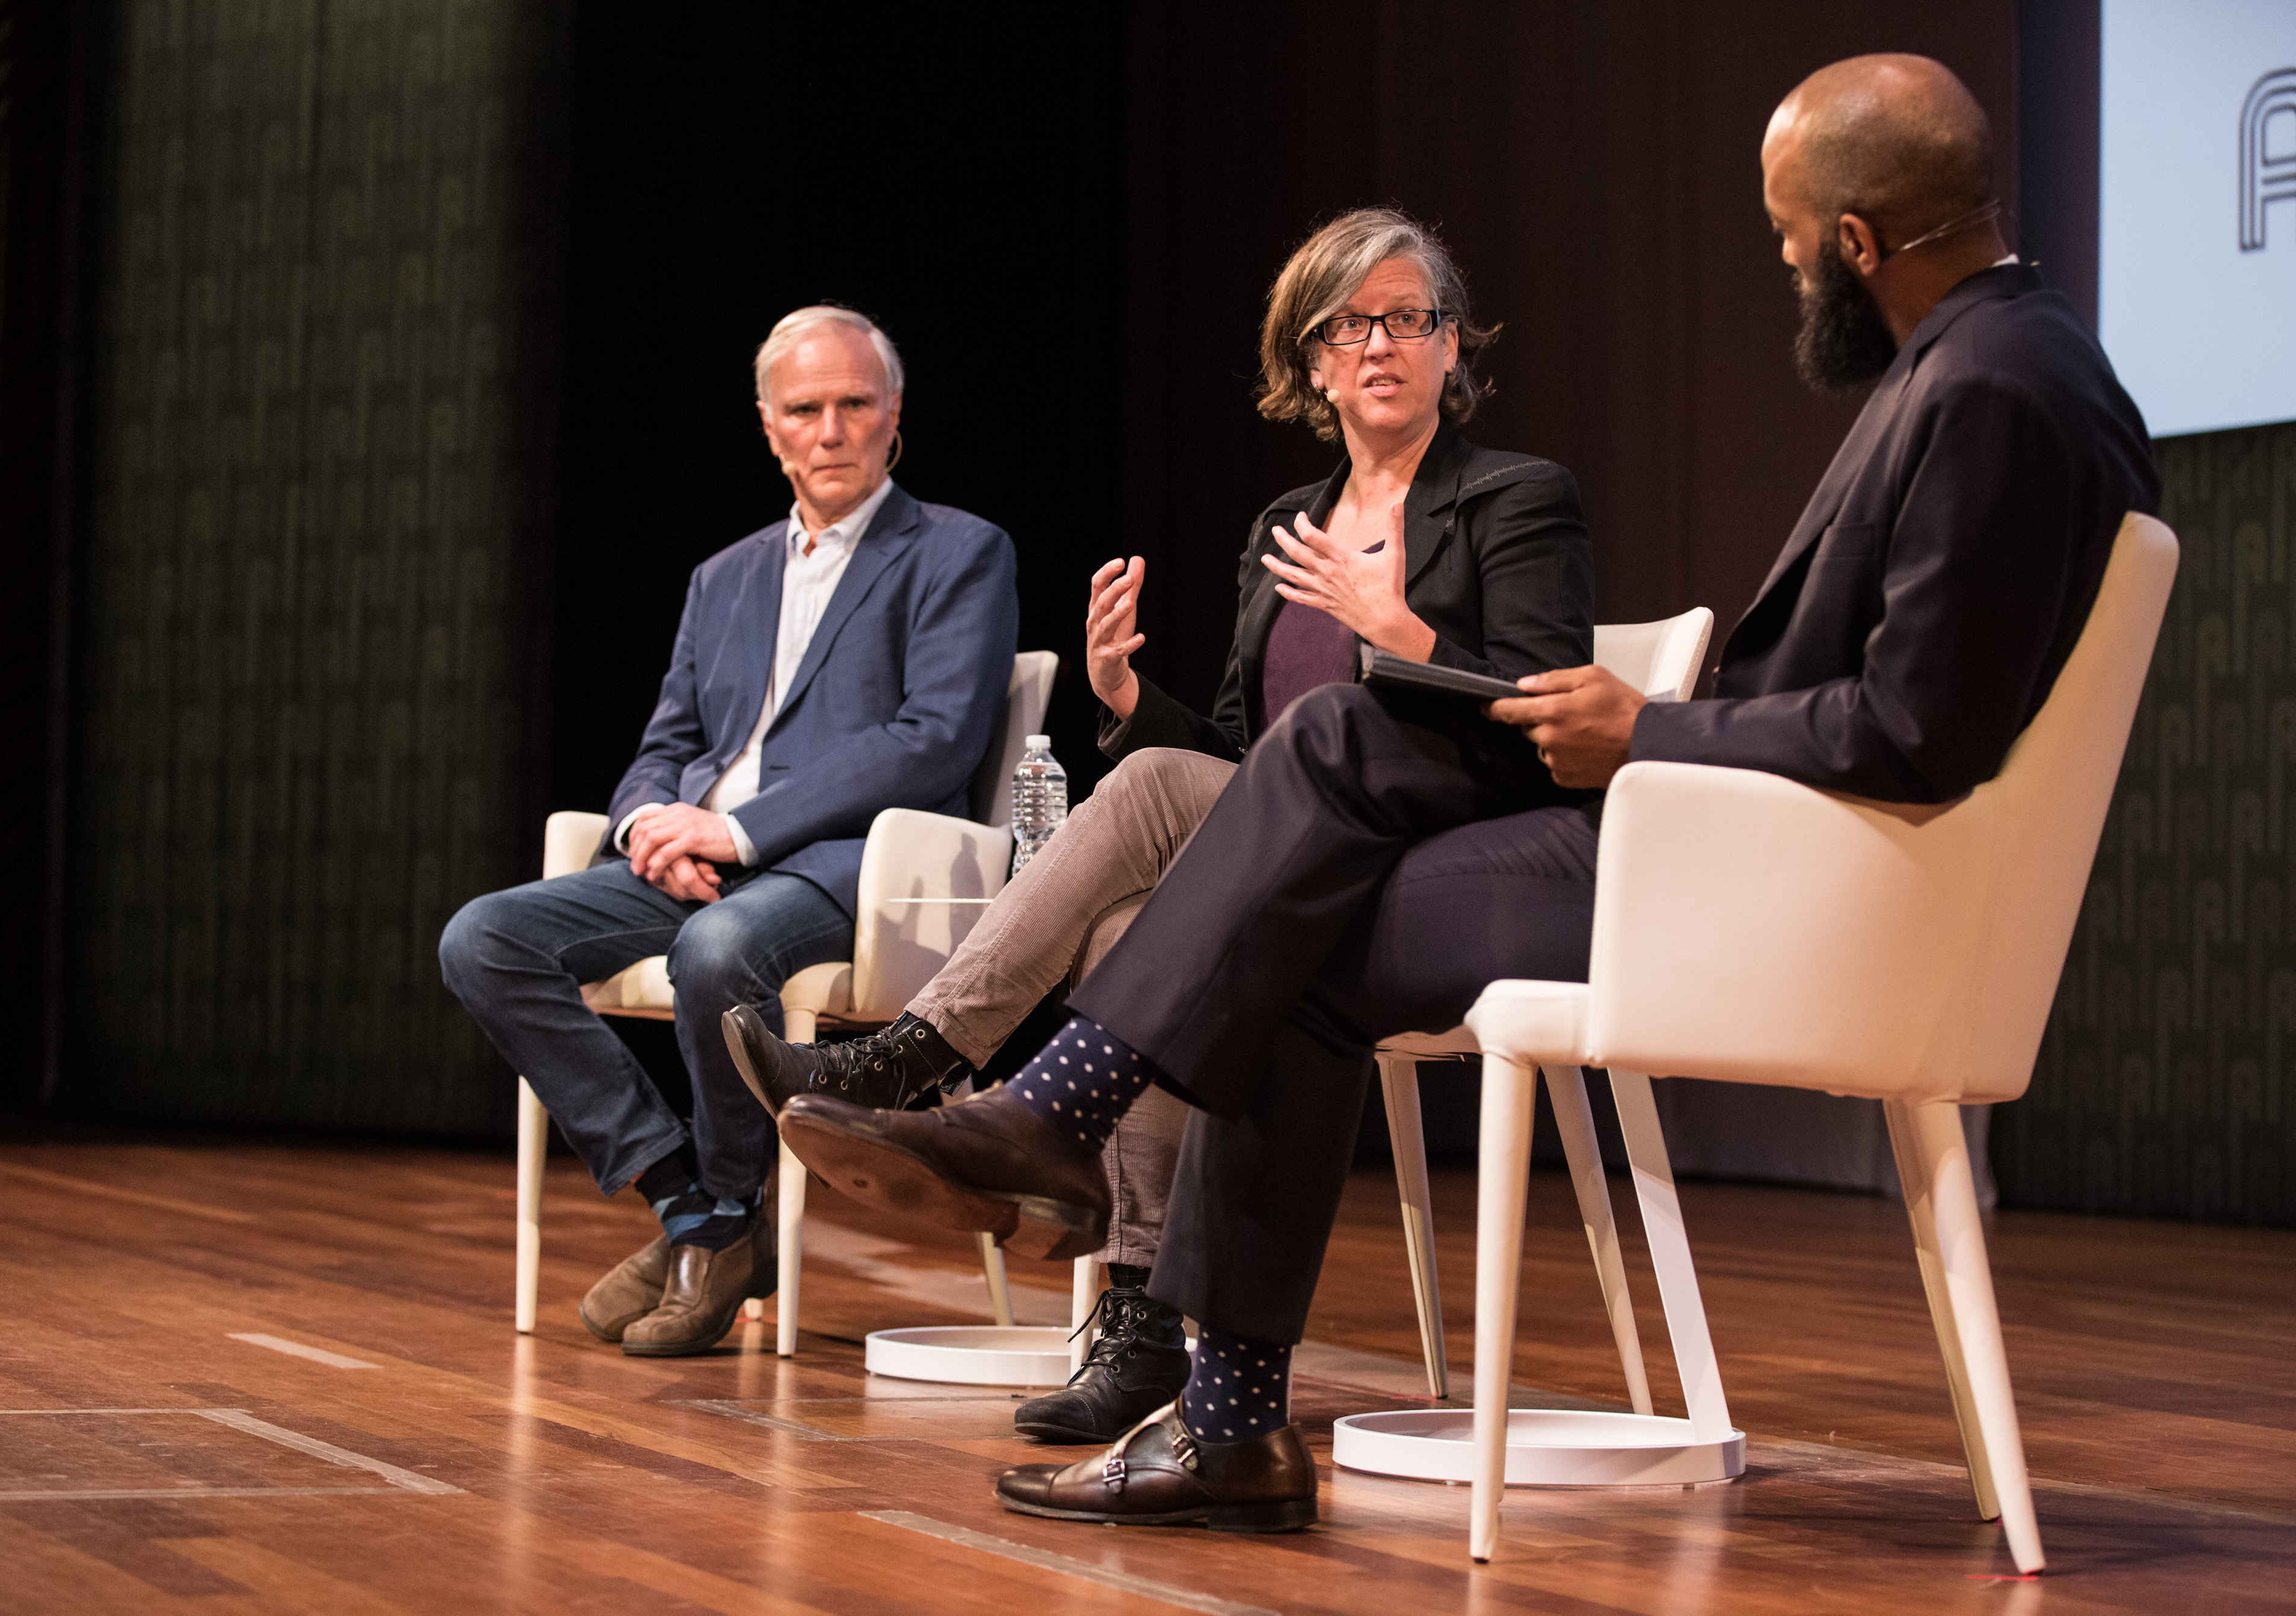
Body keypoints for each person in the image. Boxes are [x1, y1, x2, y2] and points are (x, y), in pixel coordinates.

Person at [777, 53, 2160, 1533]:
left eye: (1782, 231)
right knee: (1303, 824)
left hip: (1760, 880)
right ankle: (1130, 1256)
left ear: (1855, 239)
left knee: (1288, 916)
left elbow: (1916, 730)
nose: (1779, 259)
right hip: (1722, 849)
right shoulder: (1996, 362)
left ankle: (1096, 1183)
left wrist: (1652, 734)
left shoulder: (1995, 387)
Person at [721, 207, 1596, 1442]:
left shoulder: (1514, 499)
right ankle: (1138, 1330)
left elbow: (1546, 711)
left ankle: (927, 1066)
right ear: (1307, 362)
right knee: (1137, 910)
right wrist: (1132, 700)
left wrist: (1395, 629)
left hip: (1441, 854)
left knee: (1138, 807)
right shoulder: (1281, 530)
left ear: (1454, 348)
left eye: (1411, 318)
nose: (1381, 345)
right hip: (1289, 853)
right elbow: (1243, 760)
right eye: (1348, 325)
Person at [438, 306, 1017, 1357]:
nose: (832, 429)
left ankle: (714, 1225)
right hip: (701, 856)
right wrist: (646, 827)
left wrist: (738, 832)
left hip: (847, 867)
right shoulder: (726, 576)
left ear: (895, 417)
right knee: (485, 937)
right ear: (769, 427)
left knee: (718, 950)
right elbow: (668, 740)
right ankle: (697, 1209)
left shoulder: (958, 551)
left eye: (854, 405)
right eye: (807, 409)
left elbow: (931, 741)